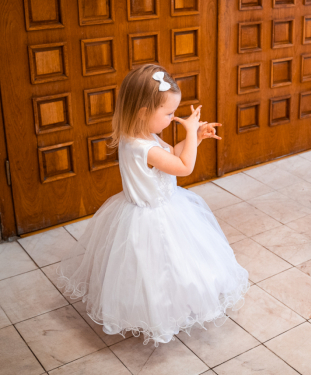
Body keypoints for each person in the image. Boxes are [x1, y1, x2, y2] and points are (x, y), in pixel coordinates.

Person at [57, 64, 249, 345]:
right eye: (169, 113)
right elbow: (183, 167)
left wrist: (195, 138)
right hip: (153, 216)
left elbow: (172, 156)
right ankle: (162, 314)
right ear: (144, 111)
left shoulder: (141, 137)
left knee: (175, 264)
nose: (173, 119)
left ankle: (178, 304)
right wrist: (192, 135)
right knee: (158, 269)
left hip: (157, 207)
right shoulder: (142, 148)